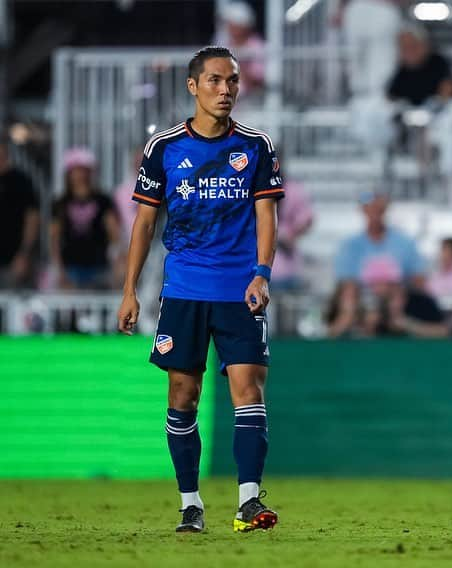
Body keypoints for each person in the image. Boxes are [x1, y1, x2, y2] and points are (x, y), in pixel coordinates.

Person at [117, 46, 283, 534]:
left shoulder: (256, 146)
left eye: (231, 81)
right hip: (184, 290)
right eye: (214, 81)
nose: (225, 90)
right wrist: (129, 290)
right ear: (193, 87)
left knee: (249, 389)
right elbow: (145, 223)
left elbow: (266, 215)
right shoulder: (164, 148)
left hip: (240, 290)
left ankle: (249, 502)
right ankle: (190, 503)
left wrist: (262, 272)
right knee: (182, 394)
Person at [328, 191, 427, 337]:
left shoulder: (404, 243)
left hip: (398, 304)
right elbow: (345, 283)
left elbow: (418, 279)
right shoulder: (350, 245)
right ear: (363, 211)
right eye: (370, 208)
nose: (374, 213)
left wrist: (392, 289)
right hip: (361, 304)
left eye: (378, 209)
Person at [50, 148, 121, 290]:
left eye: (83, 170)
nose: (79, 175)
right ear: (68, 174)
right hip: (70, 267)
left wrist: (118, 262)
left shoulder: (103, 200)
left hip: (99, 267)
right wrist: (59, 270)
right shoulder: (60, 203)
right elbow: (54, 239)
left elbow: (115, 234)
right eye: (75, 170)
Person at [0, 141, 39, 289]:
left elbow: (33, 219)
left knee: (14, 307)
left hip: (13, 261)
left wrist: (24, 253)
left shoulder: (21, 181)